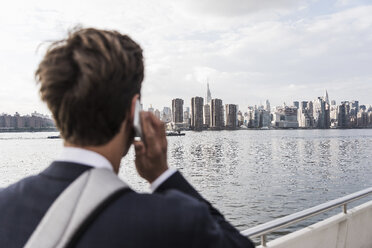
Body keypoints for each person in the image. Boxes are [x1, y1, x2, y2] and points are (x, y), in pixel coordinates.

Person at [0, 28, 254, 248]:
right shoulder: (172, 221)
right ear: (134, 111)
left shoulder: (4, 205)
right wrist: (163, 176)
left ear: (55, 110)